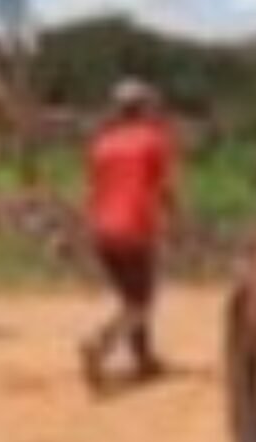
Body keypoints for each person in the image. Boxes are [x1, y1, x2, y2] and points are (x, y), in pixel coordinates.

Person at [79, 77, 177, 391]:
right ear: (144, 107)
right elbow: (165, 189)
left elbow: (93, 190)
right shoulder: (154, 139)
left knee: (131, 298)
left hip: (101, 231)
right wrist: (178, 219)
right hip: (134, 228)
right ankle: (100, 341)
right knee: (141, 303)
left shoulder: (101, 144)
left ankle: (144, 358)